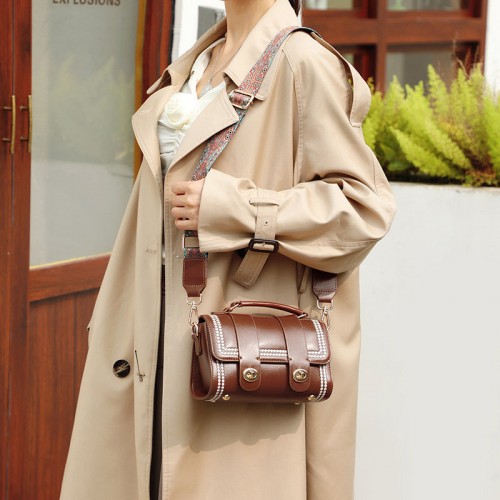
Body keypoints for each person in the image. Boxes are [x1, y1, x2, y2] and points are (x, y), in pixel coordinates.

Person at [60, 0, 396, 499]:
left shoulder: (303, 62)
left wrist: (236, 208)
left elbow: (364, 208)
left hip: (233, 354)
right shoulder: (200, 60)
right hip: (153, 336)